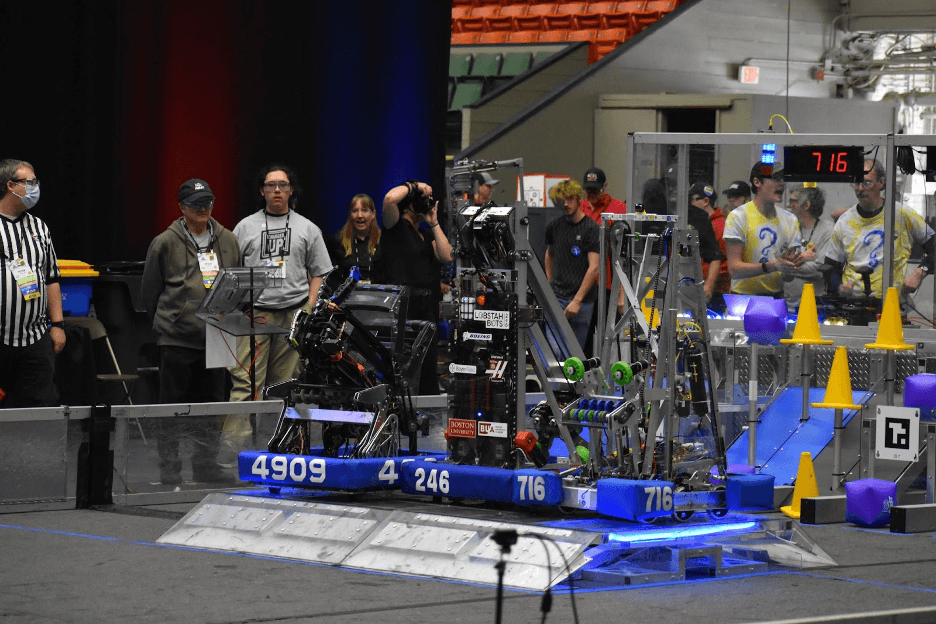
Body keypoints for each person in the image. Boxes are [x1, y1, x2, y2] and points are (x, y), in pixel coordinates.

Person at [141, 178, 240, 484]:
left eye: (208, 203)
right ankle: (170, 469)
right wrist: (168, 322)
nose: (203, 209)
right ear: (181, 208)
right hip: (177, 337)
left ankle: (206, 465)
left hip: (218, 335)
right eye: (196, 205)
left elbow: (236, 283)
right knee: (171, 408)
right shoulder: (164, 242)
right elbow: (150, 293)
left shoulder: (228, 240)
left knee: (212, 406)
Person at [229, 164, 332, 405]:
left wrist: (309, 305)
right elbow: (232, 270)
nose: (277, 190)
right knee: (246, 383)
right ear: (261, 191)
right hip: (255, 316)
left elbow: (320, 272)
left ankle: (278, 441)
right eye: (270, 185)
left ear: (291, 190)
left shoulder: (308, 228)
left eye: (282, 185)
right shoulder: (244, 227)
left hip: (292, 316)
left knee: (285, 386)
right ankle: (236, 443)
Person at [0, 159, 65, 408]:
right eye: (30, 182)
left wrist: (57, 324)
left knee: (40, 406)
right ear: (11, 185)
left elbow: (52, 277)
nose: (36, 187)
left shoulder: (39, 227)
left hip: (35, 337)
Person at [382, 178, 454, 394]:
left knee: (427, 368)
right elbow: (389, 199)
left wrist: (433, 222)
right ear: (410, 202)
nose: (426, 202)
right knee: (402, 367)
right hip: (402, 307)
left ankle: (428, 418)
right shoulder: (394, 226)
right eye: (422, 200)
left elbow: (447, 255)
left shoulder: (426, 233)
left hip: (426, 307)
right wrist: (414, 186)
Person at [825, 159, 935, 299]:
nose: (860, 188)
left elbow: (934, 247)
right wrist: (839, 287)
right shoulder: (845, 221)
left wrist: (919, 272)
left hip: (894, 304)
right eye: (856, 182)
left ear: (881, 183)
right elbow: (831, 267)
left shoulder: (901, 214)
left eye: (867, 182)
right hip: (854, 306)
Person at [723, 161, 804, 297]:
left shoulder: (790, 220)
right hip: (742, 297)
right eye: (776, 178)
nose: (782, 183)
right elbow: (734, 270)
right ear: (757, 182)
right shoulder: (738, 217)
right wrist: (772, 266)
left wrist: (788, 268)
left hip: (776, 297)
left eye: (783, 179)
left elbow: (788, 278)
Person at [545, 180, 600, 350]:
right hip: (557, 297)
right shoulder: (554, 226)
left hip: (582, 302)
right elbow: (549, 254)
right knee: (554, 351)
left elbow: (594, 267)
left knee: (573, 355)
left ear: (578, 199)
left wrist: (577, 300)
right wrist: (549, 283)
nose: (566, 204)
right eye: (562, 200)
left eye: (570, 199)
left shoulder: (591, 229)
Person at [581, 167, 627, 354]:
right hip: (584, 284)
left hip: (608, 286)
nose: (592, 195)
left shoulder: (617, 209)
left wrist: (621, 294)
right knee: (584, 338)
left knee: (609, 340)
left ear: (605, 187)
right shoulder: (580, 208)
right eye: (588, 190)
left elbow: (624, 254)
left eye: (596, 190)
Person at [783, 185, 833, 309]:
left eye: (793, 201)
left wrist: (789, 264)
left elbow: (819, 270)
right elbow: (778, 265)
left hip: (814, 305)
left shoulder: (827, 230)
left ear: (806, 205)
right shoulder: (788, 228)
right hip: (787, 303)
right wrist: (802, 258)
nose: (789, 205)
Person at [327, 193, 384, 284]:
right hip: (346, 295)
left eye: (364, 210)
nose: (360, 215)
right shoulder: (337, 241)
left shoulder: (384, 241)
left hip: (377, 295)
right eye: (355, 211)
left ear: (373, 214)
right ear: (350, 215)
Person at [688, 183, 728, 304]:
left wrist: (709, 280)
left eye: (691, 200)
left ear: (705, 201)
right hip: (696, 286)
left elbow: (726, 261)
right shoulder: (698, 223)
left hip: (714, 291)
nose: (689, 204)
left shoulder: (720, 226)